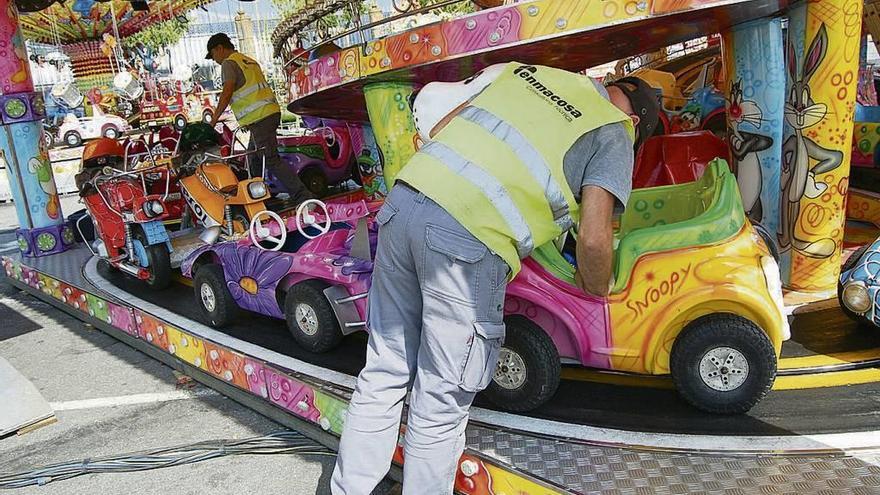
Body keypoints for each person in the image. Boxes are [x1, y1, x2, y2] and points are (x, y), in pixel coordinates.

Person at [330, 62, 659, 494]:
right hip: (467, 241)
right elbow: (595, 241)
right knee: (441, 395)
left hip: (405, 202)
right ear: (636, 121)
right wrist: (598, 288)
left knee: (385, 369)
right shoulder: (615, 130)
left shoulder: (536, 75)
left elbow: (443, 125)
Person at [205, 33, 314, 205]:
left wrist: (213, 120)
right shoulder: (246, 60)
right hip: (267, 113)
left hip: (260, 117)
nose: (214, 60)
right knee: (254, 159)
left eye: (213, 55)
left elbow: (227, 93)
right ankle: (259, 199)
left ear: (219, 48)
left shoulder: (228, 63)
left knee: (270, 159)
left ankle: (303, 196)